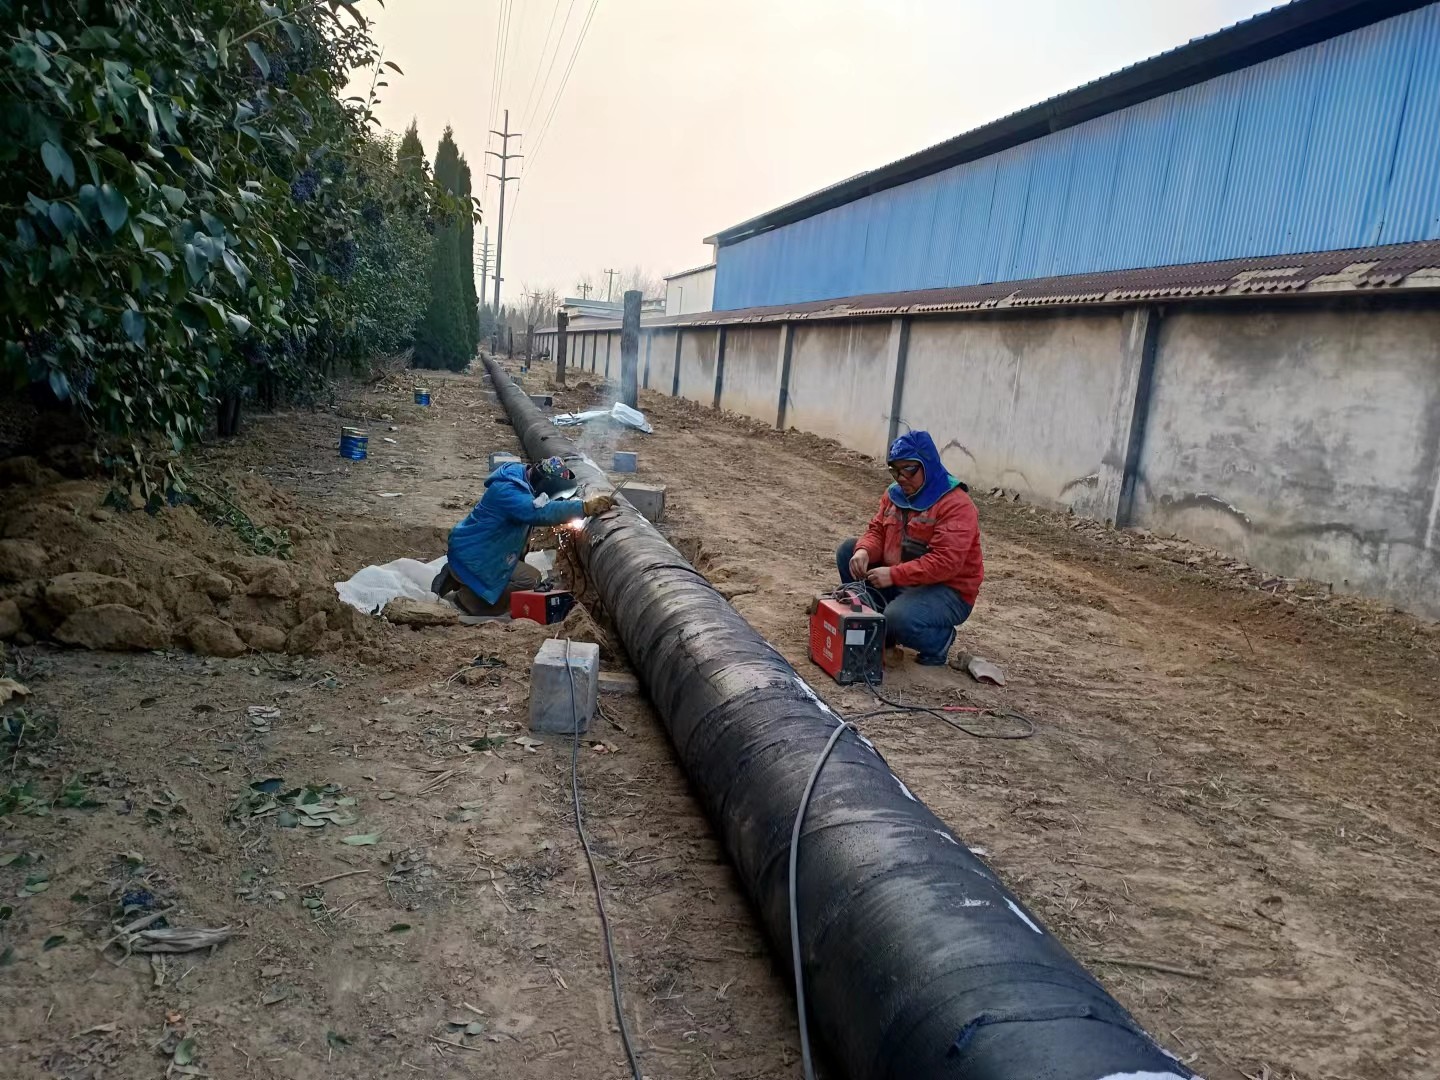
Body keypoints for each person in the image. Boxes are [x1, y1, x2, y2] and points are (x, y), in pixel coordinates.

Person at [836, 430, 983, 666]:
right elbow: (878, 531)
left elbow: (945, 563)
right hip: (904, 578)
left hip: (947, 590)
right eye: (895, 470)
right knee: (848, 551)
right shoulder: (894, 495)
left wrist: (894, 575)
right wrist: (864, 550)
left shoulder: (956, 505)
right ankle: (879, 626)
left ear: (928, 464)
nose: (901, 477)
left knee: (898, 618)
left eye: (909, 469)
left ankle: (939, 642)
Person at [432, 456, 613, 615]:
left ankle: (460, 579)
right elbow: (538, 512)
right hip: (475, 555)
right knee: (530, 579)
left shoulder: (521, 477)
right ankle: (470, 601)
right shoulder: (509, 492)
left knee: (517, 566)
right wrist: (583, 508)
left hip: (478, 547)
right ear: (546, 484)